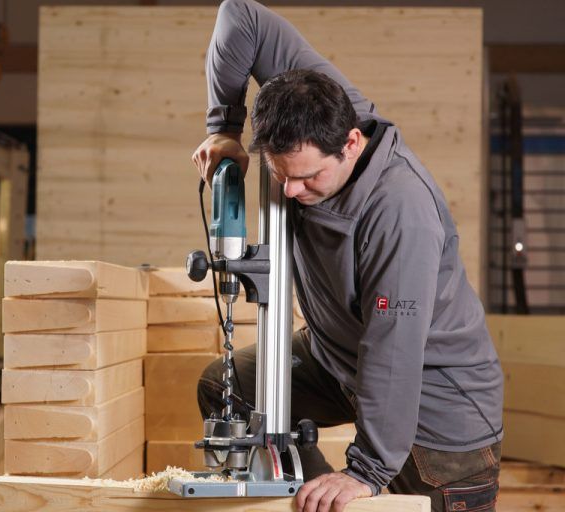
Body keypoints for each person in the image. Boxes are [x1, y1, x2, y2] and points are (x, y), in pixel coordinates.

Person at [192, 1, 503, 511]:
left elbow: (394, 348)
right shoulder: (318, 103)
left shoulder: (400, 212)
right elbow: (241, 18)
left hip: (438, 421)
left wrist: (366, 470)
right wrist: (223, 126)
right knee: (230, 390)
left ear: (351, 143)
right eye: (280, 173)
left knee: (356, 492)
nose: (289, 191)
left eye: (307, 177)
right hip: (342, 361)